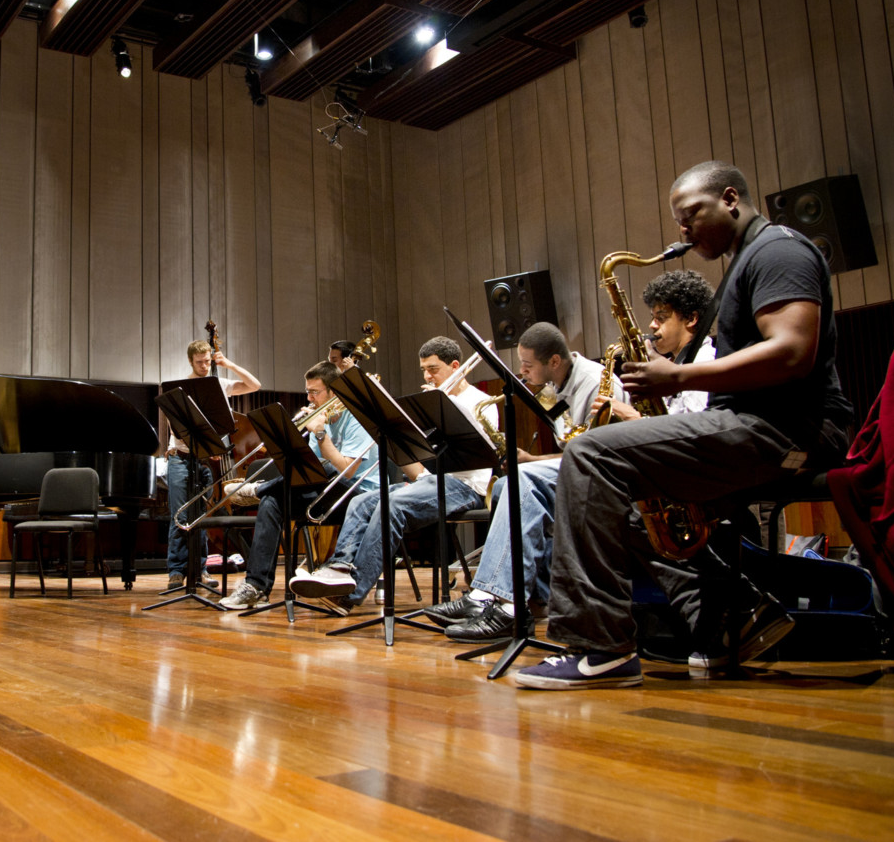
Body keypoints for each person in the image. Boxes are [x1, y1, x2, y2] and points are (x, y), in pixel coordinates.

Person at [513, 161, 852, 689]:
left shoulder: (779, 251)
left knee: (590, 454)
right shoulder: (748, 260)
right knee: (633, 514)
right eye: (678, 221)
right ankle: (730, 621)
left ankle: (601, 648)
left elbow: (793, 352)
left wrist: (679, 377)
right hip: (759, 425)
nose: (684, 231)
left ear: (731, 199)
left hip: (792, 431)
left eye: (692, 214)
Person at [429, 271, 715, 643]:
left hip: (658, 478)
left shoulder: (704, 361)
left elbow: (690, 430)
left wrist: (633, 417)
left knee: (526, 484)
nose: (652, 326)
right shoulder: (672, 363)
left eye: (661, 317)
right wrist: (533, 458)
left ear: (691, 319)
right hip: (630, 467)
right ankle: (523, 596)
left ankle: (501, 600)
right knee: (510, 487)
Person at [290, 336, 495, 610]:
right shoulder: (430, 400)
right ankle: (338, 569)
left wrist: (444, 405)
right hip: (430, 481)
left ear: (456, 366)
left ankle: (349, 595)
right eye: (423, 369)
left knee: (393, 504)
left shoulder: (482, 401)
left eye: (432, 369)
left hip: (466, 487)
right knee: (362, 501)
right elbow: (415, 462)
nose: (427, 376)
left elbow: (478, 456)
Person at [218, 361, 380, 610]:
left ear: (333, 392)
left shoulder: (356, 418)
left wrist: (320, 434)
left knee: (326, 470)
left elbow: (346, 470)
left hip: (360, 496)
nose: (309, 397)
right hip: (325, 491)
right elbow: (308, 470)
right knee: (274, 502)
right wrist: (292, 438)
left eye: (314, 392)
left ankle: (259, 489)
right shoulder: (318, 416)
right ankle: (256, 586)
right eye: (308, 391)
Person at [156, 339, 261, 590]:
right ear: (191, 361)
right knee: (180, 515)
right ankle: (176, 571)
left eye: (207, 361)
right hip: (181, 459)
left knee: (201, 516)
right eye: (199, 362)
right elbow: (176, 428)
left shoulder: (221, 384)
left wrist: (228, 364)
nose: (204, 366)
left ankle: (200, 569)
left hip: (207, 463)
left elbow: (255, 385)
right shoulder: (181, 389)